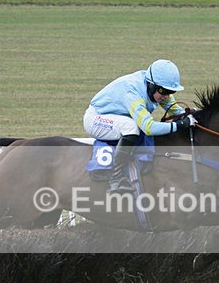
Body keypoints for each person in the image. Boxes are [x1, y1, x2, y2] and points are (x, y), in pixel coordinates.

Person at [83, 59, 193, 193]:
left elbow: (176, 111)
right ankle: (116, 179)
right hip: (96, 119)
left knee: (131, 125)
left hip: (116, 117)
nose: (166, 96)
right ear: (151, 85)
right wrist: (179, 125)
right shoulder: (133, 93)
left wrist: (192, 116)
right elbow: (149, 128)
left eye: (171, 92)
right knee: (131, 127)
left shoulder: (157, 88)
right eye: (163, 91)